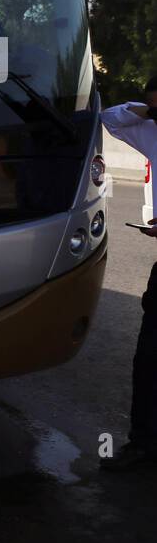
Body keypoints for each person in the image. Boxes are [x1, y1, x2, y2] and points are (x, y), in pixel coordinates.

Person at [100, 77, 157, 471]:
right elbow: (110, 119)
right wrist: (145, 109)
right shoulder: (152, 132)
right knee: (149, 356)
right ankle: (144, 445)